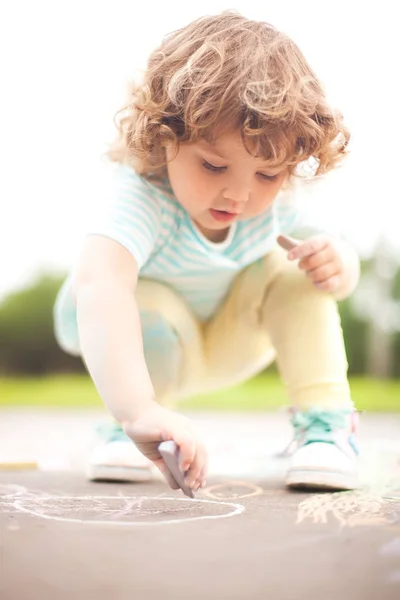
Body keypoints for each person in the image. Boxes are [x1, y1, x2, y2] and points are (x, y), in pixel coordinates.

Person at [54, 11, 361, 493]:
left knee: (299, 266)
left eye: (267, 174)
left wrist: (339, 266)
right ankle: (126, 426)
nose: (238, 195)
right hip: (149, 351)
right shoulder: (143, 196)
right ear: (164, 137)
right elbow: (101, 285)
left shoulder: (274, 207)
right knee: (140, 294)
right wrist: (138, 410)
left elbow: (338, 266)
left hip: (229, 341)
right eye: (215, 166)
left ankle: (327, 427)